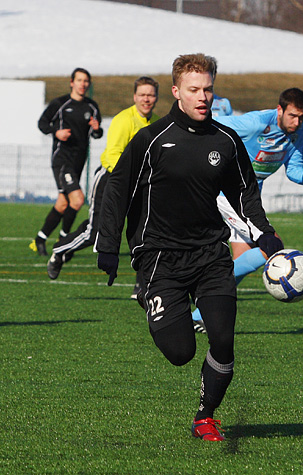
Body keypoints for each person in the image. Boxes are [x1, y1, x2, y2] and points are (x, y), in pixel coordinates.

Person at [95, 53, 283, 441]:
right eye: (194, 89)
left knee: (223, 339)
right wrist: (109, 246)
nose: (203, 97)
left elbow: (246, 195)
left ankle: (205, 416)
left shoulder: (226, 140)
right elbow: (117, 189)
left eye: (208, 89)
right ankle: (148, 293)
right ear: (177, 91)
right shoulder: (151, 139)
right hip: (160, 257)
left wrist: (265, 236)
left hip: (211, 255)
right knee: (180, 352)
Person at [191, 87, 303, 330]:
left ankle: (199, 313)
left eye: (302, 117)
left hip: (249, 197)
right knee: (269, 246)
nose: (297, 122)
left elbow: (293, 168)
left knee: (241, 261)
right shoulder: (255, 123)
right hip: (226, 193)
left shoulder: (297, 131)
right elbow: (213, 123)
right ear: (279, 110)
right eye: (293, 115)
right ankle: (201, 300)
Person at [46, 77, 160, 297]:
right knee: (95, 232)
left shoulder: (156, 122)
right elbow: (114, 156)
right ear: (134, 97)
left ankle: (142, 285)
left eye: (151, 95)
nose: (146, 99)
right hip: (111, 179)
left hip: (139, 183)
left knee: (145, 231)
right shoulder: (124, 120)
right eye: (142, 94)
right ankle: (60, 250)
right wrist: (135, 176)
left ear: (156, 97)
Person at [31, 67, 103, 256]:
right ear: (72, 82)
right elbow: (42, 123)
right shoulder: (60, 104)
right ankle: (65, 241)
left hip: (79, 161)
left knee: (63, 203)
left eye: (86, 81)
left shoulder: (92, 107)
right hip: (62, 159)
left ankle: (40, 238)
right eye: (79, 80)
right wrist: (57, 132)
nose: (82, 84)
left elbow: (97, 133)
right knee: (77, 199)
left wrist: (96, 129)